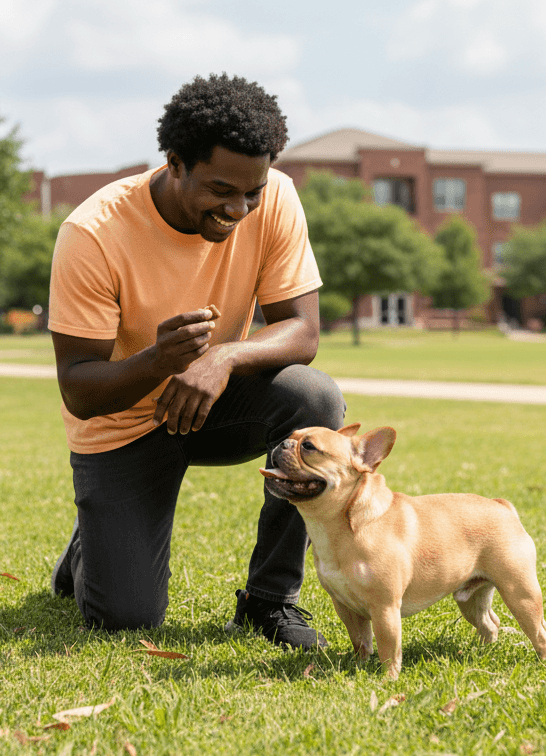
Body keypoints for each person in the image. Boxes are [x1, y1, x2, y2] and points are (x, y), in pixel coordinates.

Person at [46, 74, 345, 649]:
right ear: (176, 162)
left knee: (315, 398)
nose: (238, 208)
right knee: (128, 618)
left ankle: (270, 601)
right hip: (121, 428)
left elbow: (303, 331)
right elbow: (79, 391)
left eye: (250, 191)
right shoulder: (93, 233)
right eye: (219, 189)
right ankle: (91, 543)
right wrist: (161, 359)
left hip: (212, 408)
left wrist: (224, 357)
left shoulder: (275, 196)